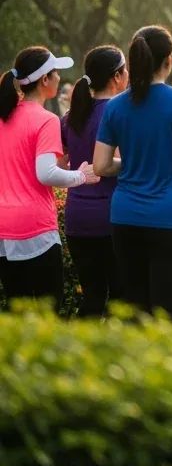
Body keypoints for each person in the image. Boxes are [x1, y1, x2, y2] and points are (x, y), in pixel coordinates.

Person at [93, 25, 172, 317]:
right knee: (165, 310)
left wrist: (131, 164)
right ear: (169, 60)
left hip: (126, 216)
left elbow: (101, 166)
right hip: (169, 218)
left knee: (134, 307)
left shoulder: (116, 106)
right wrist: (170, 161)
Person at [0, 47, 99, 308]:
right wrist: (82, 175)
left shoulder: (3, 116)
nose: (59, 78)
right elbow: (46, 174)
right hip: (35, 227)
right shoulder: (45, 120)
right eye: (56, 73)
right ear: (45, 80)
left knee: (15, 308)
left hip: (3, 227)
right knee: (49, 309)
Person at [62, 45, 129, 317]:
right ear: (116, 76)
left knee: (92, 296)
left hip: (77, 217)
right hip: (112, 217)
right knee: (120, 298)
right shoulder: (121, 114)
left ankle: (78, 357)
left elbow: (60, 167)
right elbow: (124, 162)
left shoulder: (70, 118)